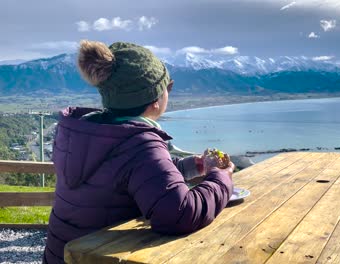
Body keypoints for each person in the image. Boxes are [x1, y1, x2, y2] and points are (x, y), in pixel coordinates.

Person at [43, 40, 235, 263]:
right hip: (100, 258)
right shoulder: (140, 145)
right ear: (154, 99)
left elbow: (126, 174)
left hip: (60, 254)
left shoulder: (82, 131)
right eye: (167, 87)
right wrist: (220, 177)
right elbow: (180, 214)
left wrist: (191, 166)